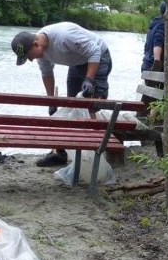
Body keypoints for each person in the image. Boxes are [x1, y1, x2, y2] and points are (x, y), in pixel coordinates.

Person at [11, 22, 112, 167]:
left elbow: (94, 51)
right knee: (71, 105)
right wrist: (51, 101)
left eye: (29, 56)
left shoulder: (64, 36)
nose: (31, 60)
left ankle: (95, 152)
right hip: (77, 62)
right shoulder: (41, 52)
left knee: (92, 105)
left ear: (35, 44)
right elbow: (47, 74)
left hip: (99, 58)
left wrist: (89, 79)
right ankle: (59, 153)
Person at [141, 0, 166, 74]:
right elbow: (157, 41)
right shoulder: (163, 25)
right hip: (153, 67)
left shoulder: (154, 23)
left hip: (146, 63)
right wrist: (157, 62)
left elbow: (146, 47)